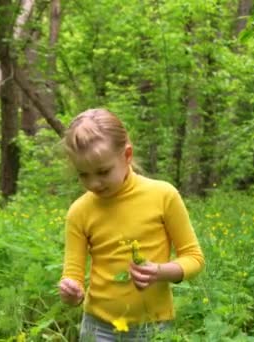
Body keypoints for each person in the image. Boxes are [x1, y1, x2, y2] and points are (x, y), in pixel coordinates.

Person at [58, 108, 205, 341]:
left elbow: (194, 258)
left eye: (103, 171)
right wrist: (72, 292)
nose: (94, 183)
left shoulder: (163, 195)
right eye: (83, 175)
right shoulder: (79, 211)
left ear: (126, 156)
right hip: (98, 327)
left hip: (153, 327)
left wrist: (159, 271)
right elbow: (73, 274)